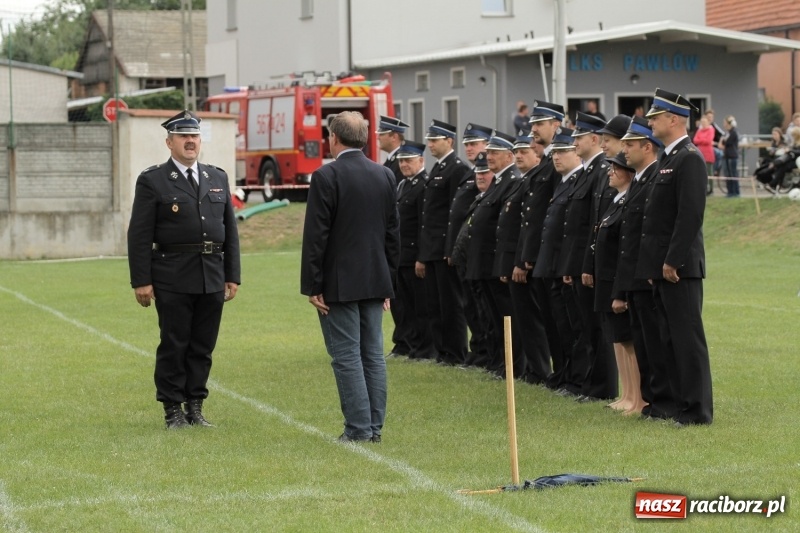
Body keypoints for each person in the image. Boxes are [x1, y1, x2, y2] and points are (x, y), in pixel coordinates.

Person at [127, 110, 241, 429]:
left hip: (211, 274)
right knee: (175, 343)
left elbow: (229, 230)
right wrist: (141, 281)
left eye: (194, 136)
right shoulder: (153, 180)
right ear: (169, 142)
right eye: (183, 137)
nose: (191, 142)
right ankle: (172, 409)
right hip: (172, 276)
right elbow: (139, 234)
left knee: (203, 346)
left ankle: (195, 404)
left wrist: (232, 274)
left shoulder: (216, 177)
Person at [300, 111, 400, 443]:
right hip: (375, 278)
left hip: (339, 283)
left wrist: (313, 285)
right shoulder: (384, 174)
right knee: (372, 354)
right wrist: (388, 282)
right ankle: (373, 428)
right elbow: (392, 235)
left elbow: (316, 237)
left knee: (346, 356)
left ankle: (358, 429)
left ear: (334, 138)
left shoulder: (326, 176)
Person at [640, 88, 712, 426]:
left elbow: (690, 216)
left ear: (674, 119)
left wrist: (673, 260)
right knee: (669, 339)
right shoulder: (667, 158)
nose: (650, 121)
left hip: (679, 267)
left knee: (687, 339)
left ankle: (696, 410)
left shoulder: (689, 158)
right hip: (663, 265)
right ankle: (678, 405)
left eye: (655, 116)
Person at [619, 116, 673, 419]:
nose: (625, 151)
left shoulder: (655, 177)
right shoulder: (640, 179)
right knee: (643, 342)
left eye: (630, 145)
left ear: (648, 147)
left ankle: (664, 400)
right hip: (635, 273)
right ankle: (652, 400)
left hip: (647, 273)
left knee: (655, 341)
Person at [590, 151, 644, 414]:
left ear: (629, 174)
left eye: (616, 168)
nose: (610, 172)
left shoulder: (628, 202)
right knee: (618, 340)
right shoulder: (616, 200)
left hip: (617, 281)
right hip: (607, 281)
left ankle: (638, 398)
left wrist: (620, 291)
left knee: (629, 341)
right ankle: (627, 394)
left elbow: (625, 249)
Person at [533, 127, 584, 397]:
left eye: (563, 151)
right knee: (560, 327)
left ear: (576, 153)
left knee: (573, 327)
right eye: (554, 152)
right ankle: (565, 373)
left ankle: (576, 377)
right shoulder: (563, 182)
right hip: (552, 265)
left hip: (564, 265)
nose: (556, 157)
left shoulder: (577, 181)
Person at [420, 119, 471, 366]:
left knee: (452, 304)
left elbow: (455, 213)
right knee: (435, 304)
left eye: (434, 140)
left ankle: (456, 351)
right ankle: (442, 351)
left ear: (448, 141)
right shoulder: (438, 168)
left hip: (443, 248)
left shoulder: (456, 168)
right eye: (429, 140)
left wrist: (450, 248)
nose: (430, 144)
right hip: (431, 248)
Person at [391, 140, 436, 360]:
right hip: (400, 255)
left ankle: (423, 347)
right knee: (401, 305)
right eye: (401, 160)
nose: (404, 165)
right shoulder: (403, 185)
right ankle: (405, 344)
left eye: (408, 160)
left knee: (420, 305)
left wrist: (421, 257)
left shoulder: (423, 185)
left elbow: (423, 225)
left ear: (421, 160)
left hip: (414, 255)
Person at [376, 115, 410, 185]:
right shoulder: (392, 159)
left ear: (394, 137)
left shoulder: (401, 161)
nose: (378, 138)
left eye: (382, 134)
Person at [692, 116, 716, 195]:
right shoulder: (699, 130)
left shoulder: (711, 129)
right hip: (700, 153)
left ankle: (711, 189)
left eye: (704, 122)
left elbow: (708, 140)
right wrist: (703, 140)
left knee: (709, 172)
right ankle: (703, 188)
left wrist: (700, 140)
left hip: (708, 153)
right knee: (700, 172)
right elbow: (695, 140)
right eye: (702, 122)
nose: (703, 124)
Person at [719, 115, 740, 197]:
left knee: (733, 174)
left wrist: (722, 142)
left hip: (732, 156)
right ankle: (730, 191)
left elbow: (725, 143)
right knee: (727, 174)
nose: (724, 124)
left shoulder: (733, 133)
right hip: (726, 155)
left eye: (725, 123)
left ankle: (735, 192)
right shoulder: (727, 133)